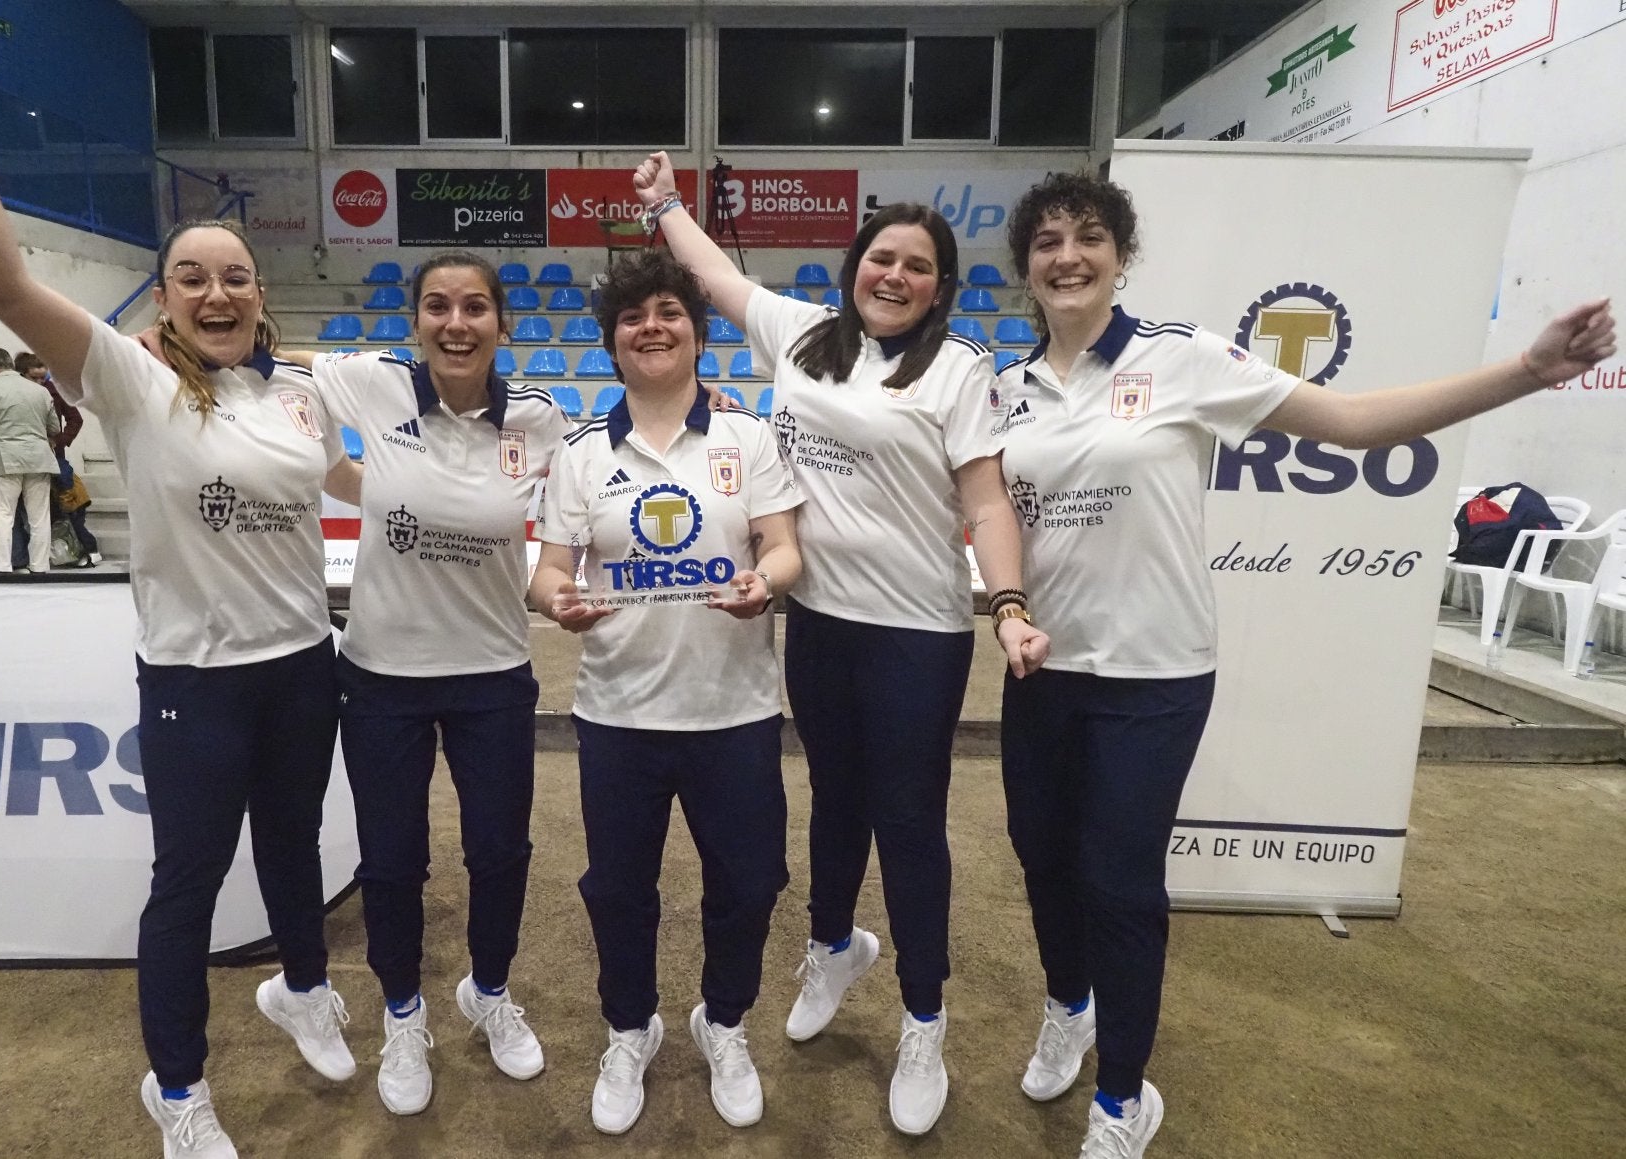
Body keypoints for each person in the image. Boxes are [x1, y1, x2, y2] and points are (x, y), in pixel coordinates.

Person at [994, 171, 1617, 1159]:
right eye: (1048, 241)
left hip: (1156, 678)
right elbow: (996, 526)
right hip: (1043, 674)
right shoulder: (1008, 389)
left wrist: (1528, 372)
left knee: (1118, 879)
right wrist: (1006, 610)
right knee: (1042, 857)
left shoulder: (1183, 358)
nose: (1068, 256)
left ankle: (1123, 1099)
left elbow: (1357, 422)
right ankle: (1069, 1005)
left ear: (1121, 256)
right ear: (1025, 266)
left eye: (1090, 237)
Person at [0, 41, 364, 1159]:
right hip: (197, 682)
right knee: (189, 885)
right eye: (194, 277)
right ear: (165, 297)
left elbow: (373, 485)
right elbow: (6, 283)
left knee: (296, 845)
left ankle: (302, 987)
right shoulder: (131, 376)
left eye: (237, 275)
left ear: (261, 295)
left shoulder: (301, 399)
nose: (218, 291)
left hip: (305, 663)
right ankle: (178, 1089)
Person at [630, 152, 1049, 1135]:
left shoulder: (957, 371)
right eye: (880, 258)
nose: (893, 275)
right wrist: (663, 207)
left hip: (917, 632)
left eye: (916, 265)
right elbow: (717, 279)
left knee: (907, 823)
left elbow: (985, 500)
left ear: (940, 286)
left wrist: (1010, 601)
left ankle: (924, 1017)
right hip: (816, 620)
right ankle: (831, 946)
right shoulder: (808, 338)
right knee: (832, 804)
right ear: (854, 265)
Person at [278, 252, 569, 1116]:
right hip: (380, 680)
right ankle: (404, 1014)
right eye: (437, 306)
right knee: (394, 861)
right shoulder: (373, 382)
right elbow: (271, 360)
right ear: (414, 324)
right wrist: (166, 341)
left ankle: (487, 988)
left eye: (475, 306)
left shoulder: (542, 418)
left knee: (502, 853)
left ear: (502, 324)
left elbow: (594, 471)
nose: (456, 321)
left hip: (494, 678)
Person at [527, 246, 804, 1135]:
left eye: (670, 312)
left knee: (751, 882)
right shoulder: (579, 454)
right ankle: (630, 1026)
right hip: (619, 716)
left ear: (697, 332)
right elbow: (550, 571)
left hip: (736, 713)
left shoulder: (747, 437)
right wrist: (556, 600)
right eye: (635, 315)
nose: (653, 326)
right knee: (619, 889)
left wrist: (770, 580)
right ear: (613, 341)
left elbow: (783, 545)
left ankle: (723, 1022)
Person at [0, 346, 59, 573]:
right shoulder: (41, 390)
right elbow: (54, 427)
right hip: (39, 458)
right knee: (39, 518)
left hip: (2, 458)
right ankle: (40, 567)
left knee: (1, 517)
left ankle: (2, 568)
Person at [18, 351, 101, 566]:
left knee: (71, 501)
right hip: (27, 457)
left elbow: (75, 418)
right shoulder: (17, 393)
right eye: (34, 377)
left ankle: (85, 547)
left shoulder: (55, 391)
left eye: (42, 377)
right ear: (21, 374)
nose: (39, 382)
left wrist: (60, 440)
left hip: (55, 456)